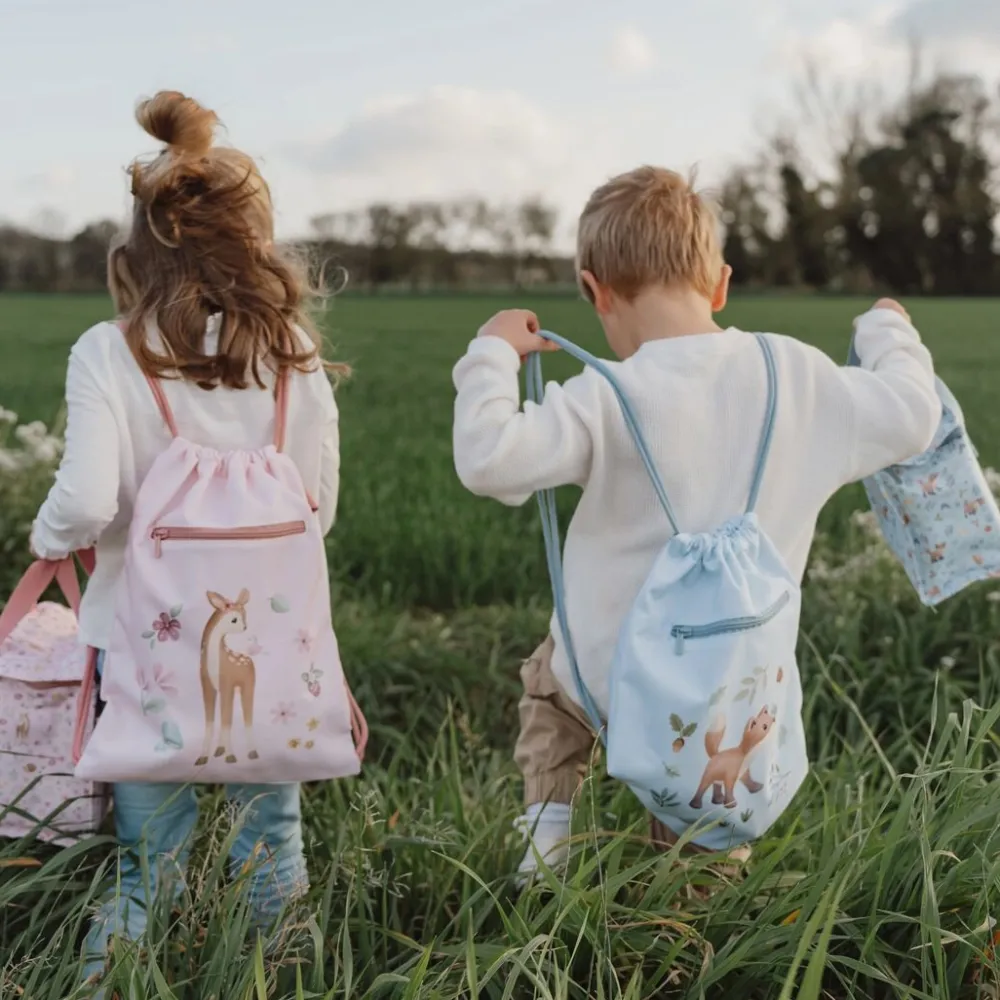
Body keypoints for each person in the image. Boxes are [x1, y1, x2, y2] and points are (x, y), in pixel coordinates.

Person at [451, 165, 940, 879]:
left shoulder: (605, 392)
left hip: (601, 673)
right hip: (727, 677)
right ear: (721, 284)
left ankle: (545, 864)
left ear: (594, 291)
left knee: (548, 697)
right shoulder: (798, 376)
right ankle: (692, 928)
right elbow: (912, 414)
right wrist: (888, 330)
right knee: (708, 805)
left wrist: (493, 353)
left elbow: (488, 459)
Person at [28, 91, 344, 984]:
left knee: (147, 860)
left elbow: (86, 501)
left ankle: (106, 982)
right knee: (272, 846)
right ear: (259, 244)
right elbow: (317, 505)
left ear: (136, 245)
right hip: (273, 647)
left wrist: (47, 537)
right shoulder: (292, 354)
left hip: (140, 646)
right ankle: (284, 976)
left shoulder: (108, 350)